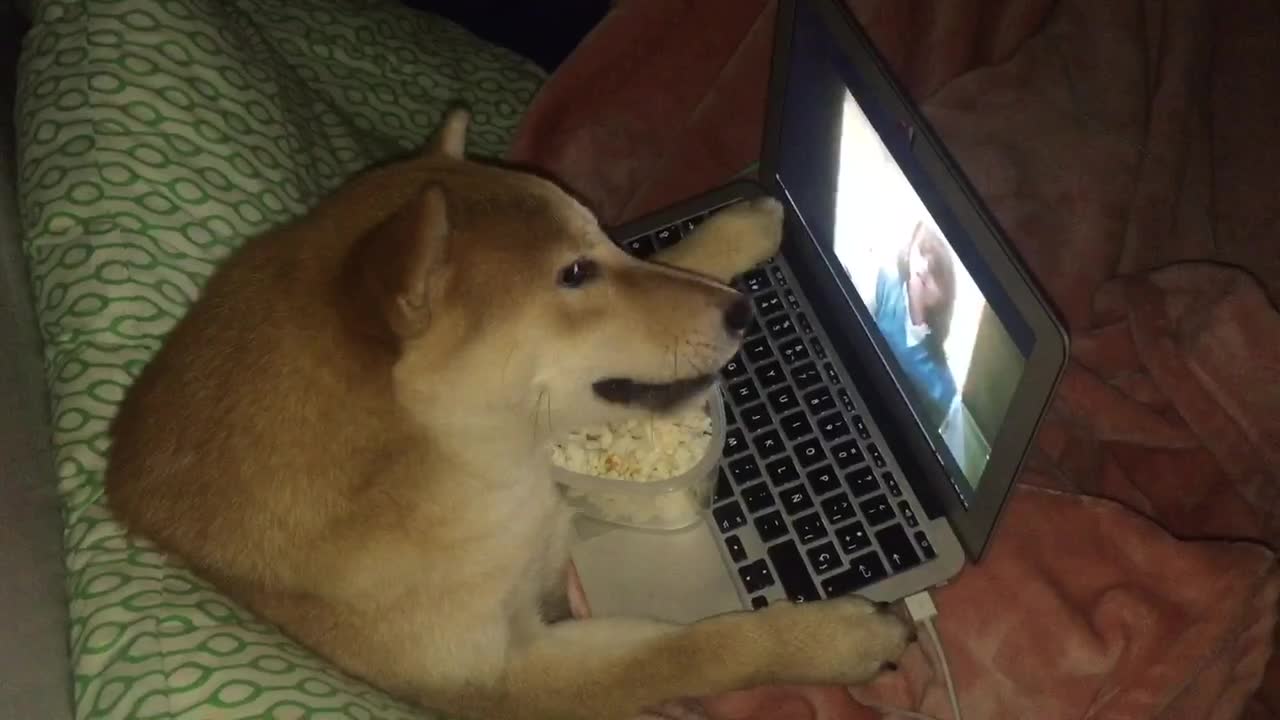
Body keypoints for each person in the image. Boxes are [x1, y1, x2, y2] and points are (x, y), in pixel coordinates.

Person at [868, 220, 958, 429]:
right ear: (910, 252)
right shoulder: (883, 284)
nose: (925, 268)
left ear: (945, 297)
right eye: (922, 252)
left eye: (936, 269)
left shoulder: (944, 388)